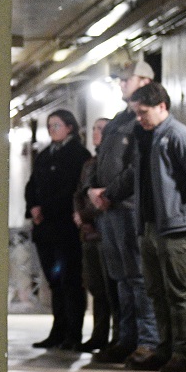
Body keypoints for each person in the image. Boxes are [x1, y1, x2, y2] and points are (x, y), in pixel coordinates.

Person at [101, 83, 186, 372]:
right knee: (155, 291)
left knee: (176, 292)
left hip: (175, 226)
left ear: (162, 106)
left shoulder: (179, 136)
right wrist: (109, 193)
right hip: (149, 226)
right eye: (136, 112)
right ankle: (164, 350)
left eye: (144, 112)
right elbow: (135, 176)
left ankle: (182, 354)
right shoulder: (146, 138)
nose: (139, 118)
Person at [87, 60, 160, 366]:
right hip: (109, 210)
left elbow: (136, 168)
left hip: (127, 208)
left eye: (125, 80)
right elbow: (100, 157)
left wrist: (110, 193)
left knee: (138, 277)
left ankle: (148, 341)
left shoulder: (143, 123)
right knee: (120, 277)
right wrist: (93, 189)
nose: (120, 84)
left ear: (144, 80)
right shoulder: (118, 120)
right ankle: (125, 338)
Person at [25, 109, 91, 350]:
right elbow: (31, 185)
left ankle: (73, 333)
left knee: (70, 281)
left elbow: (73, 189)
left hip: (65, 228)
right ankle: (58, 330)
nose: (52, 130)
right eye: (49, 126)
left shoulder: (78, 155)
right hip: (45, 229)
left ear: (69, 127)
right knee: (54, 282)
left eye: (57, 125)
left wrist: (48, 208)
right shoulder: (44, 156)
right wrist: (33, 207)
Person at [73, 118, 119, 352]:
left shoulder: (111, 162)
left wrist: (86, 214)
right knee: (96, 288)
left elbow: (102, 197)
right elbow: (80, 192)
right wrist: (78, 215)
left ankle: (119, 337)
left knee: (113, 289)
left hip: (106, 233)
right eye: (93, 128)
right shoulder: (90, 163)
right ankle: (99, 334)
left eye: (100, 129)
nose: (95, 132)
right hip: (89, 235)